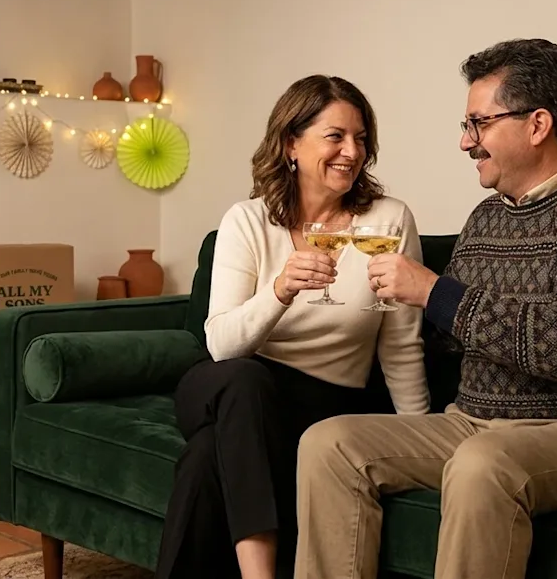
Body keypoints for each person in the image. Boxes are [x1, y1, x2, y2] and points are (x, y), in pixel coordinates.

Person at [293, 39, 557, 579]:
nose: (465, 142)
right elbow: (458, 336)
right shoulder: (486, 219)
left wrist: (436, 294)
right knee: (329, 442)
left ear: (537, 124)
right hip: (476, 423)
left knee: (484, 466)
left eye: (478, 123)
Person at [155, 74, 431, 579]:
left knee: (203, 461)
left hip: (323, 403)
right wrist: (280, 290)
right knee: (244, 379)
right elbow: (221, 344)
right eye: (336, 136)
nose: (352, 151)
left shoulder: (387, 221)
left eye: (361, 138)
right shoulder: (248, 221)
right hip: (228, 382)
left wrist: (423, 440)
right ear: (291, 144)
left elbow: (400, 344)